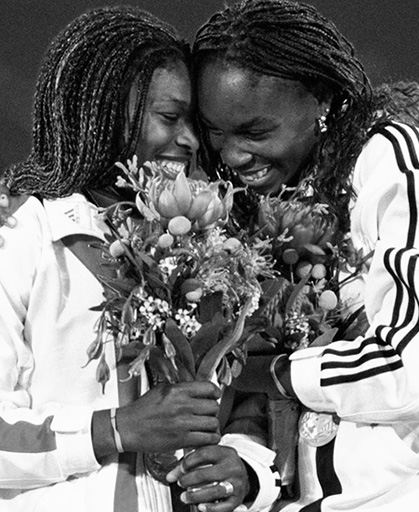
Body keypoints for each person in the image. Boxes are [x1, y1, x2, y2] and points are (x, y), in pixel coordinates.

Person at [0, 6, 280, 512]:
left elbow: (244, 404)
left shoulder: (209, 244)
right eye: (170, 118)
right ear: (101, 112)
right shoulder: (22, 235)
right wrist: (114, 429)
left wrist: (244, 467)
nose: (190, 140)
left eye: (195, 123)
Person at [192, 0, 419, 511]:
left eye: (254, 132)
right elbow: (270, 389)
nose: (231, 155)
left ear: (323, 100)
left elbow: (410, 366)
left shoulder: (391, 161)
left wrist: (271, 371)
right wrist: (245, 461)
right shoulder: (255, 205)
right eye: (215, 131)